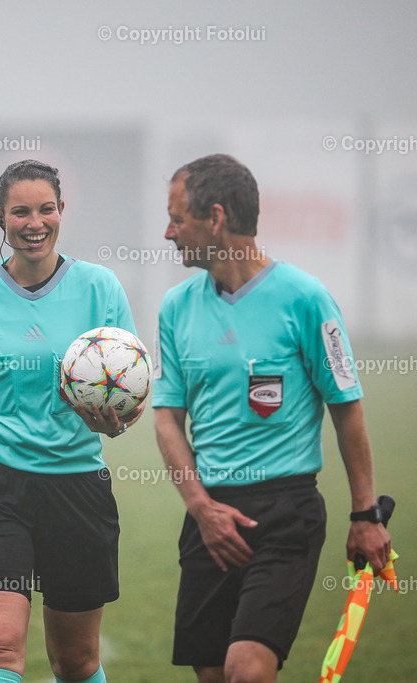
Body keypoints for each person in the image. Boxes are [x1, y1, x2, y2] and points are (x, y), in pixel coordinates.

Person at [153, 153, 392, 682]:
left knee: (247, 672)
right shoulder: (175, 306)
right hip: (208, 517)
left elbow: (346, 408)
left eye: (177, 217)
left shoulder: (306, 299)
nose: (168, 232)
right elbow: (167, 416)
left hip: (284, 514)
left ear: (215, 218)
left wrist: (366, 514)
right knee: (214, 674)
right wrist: (201, 509)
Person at [0, 159, 143, 683]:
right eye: (20, 211)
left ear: (62, 211)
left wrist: (116, 424)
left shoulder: (100, 288)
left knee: (76, 661)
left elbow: (131, 389)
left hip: (77, 489)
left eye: (46, 209)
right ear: (0, 217)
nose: (34, 222)